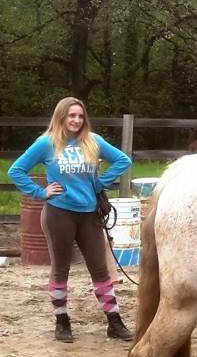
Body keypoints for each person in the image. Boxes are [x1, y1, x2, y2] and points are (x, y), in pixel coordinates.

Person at [8, 97, 134, 343]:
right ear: (61, 117)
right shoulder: (46, 143)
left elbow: (123, 160)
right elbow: (16, 170)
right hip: (59, 214)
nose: (76, 120)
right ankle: (62, 321)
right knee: (61, 268)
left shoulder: (92, 141)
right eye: (71, 116)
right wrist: (39, 192)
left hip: (89, 215)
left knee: (100, 269)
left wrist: (101, 182)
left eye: (80, 116)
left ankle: (114, 322)